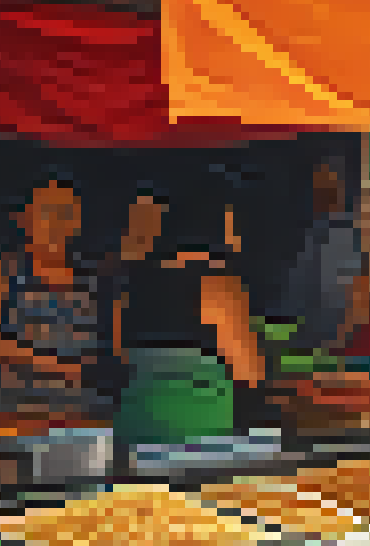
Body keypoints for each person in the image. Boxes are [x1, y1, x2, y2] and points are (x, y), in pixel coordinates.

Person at [112, 190, 268, 446]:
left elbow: (121, 356)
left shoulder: (132, 284)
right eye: (233, 227)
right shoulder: (220, 286)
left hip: (135, 432)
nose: (238, 240)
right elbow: (250, 373)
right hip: (197, 438)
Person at [0, 174, 114, 419]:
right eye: (47, 212)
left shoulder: (90, 281)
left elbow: (96, 356)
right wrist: (48, 363)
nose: (56, 223)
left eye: (66, 213)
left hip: (77, 411)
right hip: (11, 408)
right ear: (25, 219)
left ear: (77, 223)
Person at [271, 158, 370, 356]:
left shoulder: (353, 233)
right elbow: (295, 297)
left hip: (339, 350)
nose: (323, 191)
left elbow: (360, 297)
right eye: (319, 184)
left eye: (330, 183)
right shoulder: (310, 237)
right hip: (310, 347)